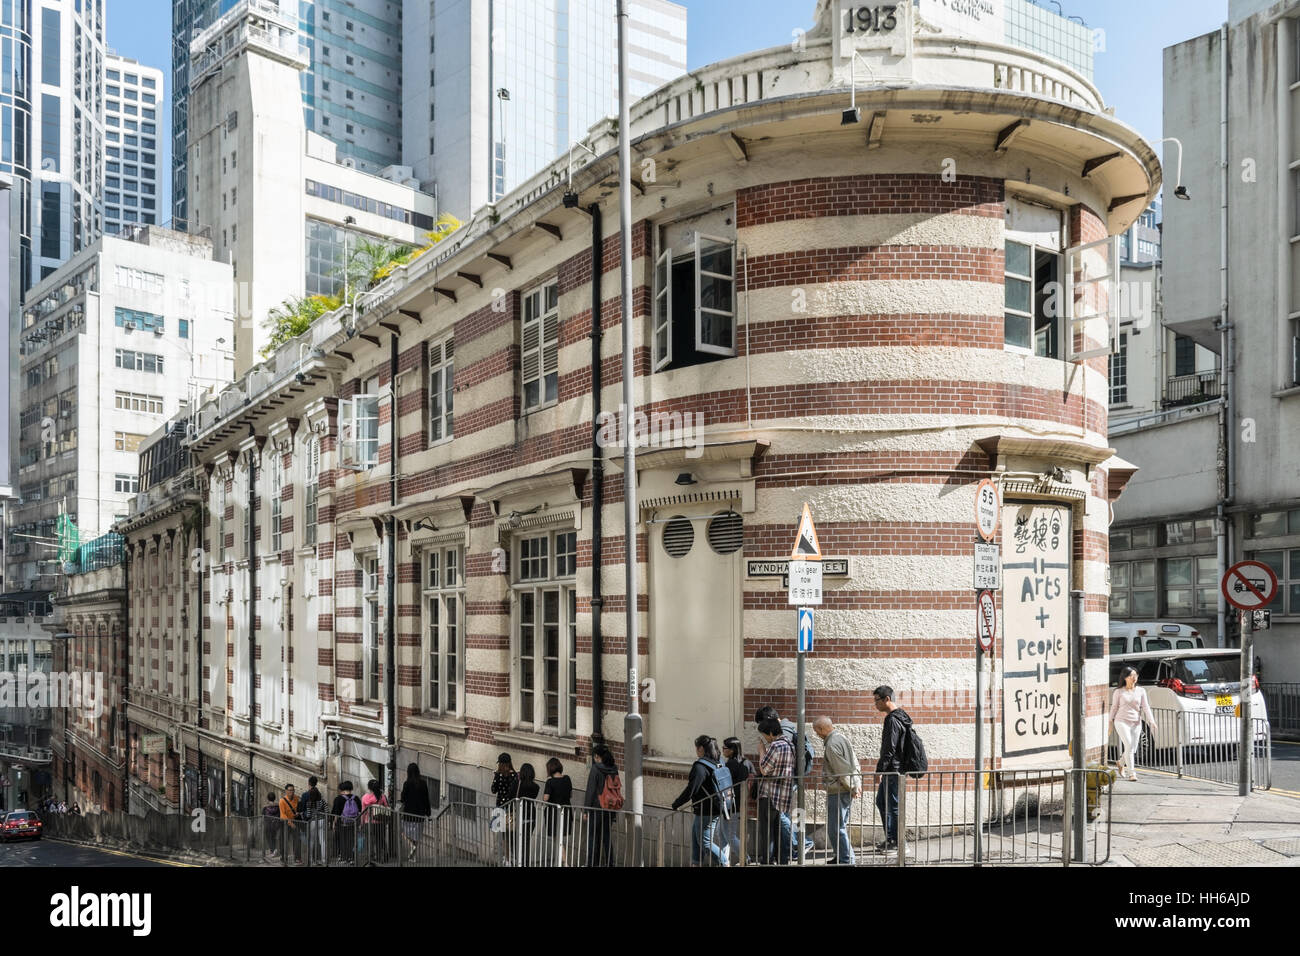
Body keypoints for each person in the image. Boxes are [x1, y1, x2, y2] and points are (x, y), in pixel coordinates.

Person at [754, 705, 815, 855]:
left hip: (783, 784)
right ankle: (789, 850)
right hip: (787, 781)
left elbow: (769, 766)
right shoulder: (788, 727)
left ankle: (801, 843)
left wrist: (763, 752)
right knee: (783, 817)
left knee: (782, 818)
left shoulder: (784, 733)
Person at [671, 735, 728, 866]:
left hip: (707, 810)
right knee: (696, 838)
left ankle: (724, 862)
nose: (696, 751)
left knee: (704, 841)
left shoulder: (700, 767)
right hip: (716, 806)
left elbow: (691, 789)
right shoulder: (719, 761)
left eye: (696, 748)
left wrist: (676, 803)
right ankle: (696, 863)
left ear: (701, 748)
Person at [814, 716, 862, 865]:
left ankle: (847, 859)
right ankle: (841, 857)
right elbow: (853, 763)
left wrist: (853, 787)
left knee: (836, 827)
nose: (817, 735)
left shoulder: (831, 744)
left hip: (838, 790)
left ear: (822, 729)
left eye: (817, 731)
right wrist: (856, 783)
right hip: (844, 788)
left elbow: (841, 769)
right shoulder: (841, 738)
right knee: (839, 826)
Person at [873, 686, 910, 851]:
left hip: (893, 770)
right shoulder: (899, 717)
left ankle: (899, 842)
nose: (875, 704)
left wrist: (879, 770)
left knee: (893, 805)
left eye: (877, 700)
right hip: (894, 769)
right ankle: (891, 839)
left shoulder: (893, 720)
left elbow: (889, 748)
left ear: (887, 699)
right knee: (881, 802)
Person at [756, 717, 795, 864]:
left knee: (767, 832)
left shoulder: (775, 746)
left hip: (770, 794)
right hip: (783, 794)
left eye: (765, 735)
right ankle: (782, 860)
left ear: (772, 733)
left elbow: (764, 769)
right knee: (778, 830)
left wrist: (761, 751)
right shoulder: (789, 744)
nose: (765, 739)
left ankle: (767, 861)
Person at [1109, 666, 1157, 782]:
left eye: (1135, 675)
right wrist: (1110, 722)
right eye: (1131, 676)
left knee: (1133, 748)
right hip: (1121, 721)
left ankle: (1120, 763)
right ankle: (1132, 773)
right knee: (1129, 745)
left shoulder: (1141, 691)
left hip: (1136, 722)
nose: (1134, 678)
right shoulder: (1118, 691)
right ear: (1125, 678)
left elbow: (1145, 707)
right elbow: (1114, 708)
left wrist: (1151, 721)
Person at [583, 744, 620, 867]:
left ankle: (592, 863)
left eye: (594, 756)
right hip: (610, 807)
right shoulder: (614, 768)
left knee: (593, 836)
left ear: (597, 756)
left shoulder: (595, 769)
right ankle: (610, 863)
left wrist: (585, 810)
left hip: (596, 807)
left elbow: (591, 790)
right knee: (607, 836)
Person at [718, 737, 753, 865]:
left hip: (730, 804)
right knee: (722, 834)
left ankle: (746, 858)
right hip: (738, 803)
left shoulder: (731, 764)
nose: (723, 750)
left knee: (729, 836)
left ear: (732, 750)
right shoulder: (746, 762)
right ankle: (723, 861)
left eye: (725, 748)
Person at [542, 757, 573, 866]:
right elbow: (570, 795)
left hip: (554, 814)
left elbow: (546, 798)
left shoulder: (550, 782)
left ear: (549, 769)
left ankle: (565, 862)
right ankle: (562, 861)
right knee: (560, 838)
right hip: (566, 812)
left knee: (558, 839)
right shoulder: (567, 779)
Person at [399, 762, 432, 862]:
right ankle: (413, 857)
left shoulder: (407, 783)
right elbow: (427, 799)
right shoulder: (423, 783)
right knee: (416, 835)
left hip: (408, 813)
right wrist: (428, 812)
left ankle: (412, 846)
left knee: (403, 832)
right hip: (420, 814)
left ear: (408, 772)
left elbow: (403, 798)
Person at [331, 781, 362, 864]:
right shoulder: (356, 798)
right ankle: (352, 858)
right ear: (351, 788)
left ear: (342, 789)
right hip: (353, 823)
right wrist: (359, 824)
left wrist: (333, 823)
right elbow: (359, 811)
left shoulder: (338, 799)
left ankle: (344, 858)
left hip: (342, 823)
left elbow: (336, 813)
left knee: (343, 840)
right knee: (351, 840)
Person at [360, 779, 389, 864]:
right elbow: (387, 807)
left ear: (369, 787)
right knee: (380, 840)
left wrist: (361, 823)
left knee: (369, 841)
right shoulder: (382, 796)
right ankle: (381, 858)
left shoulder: (365, 797)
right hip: (380, 822)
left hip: (368, 822)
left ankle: (370, 859)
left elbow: (363, 811)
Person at [299, 775, 327, 865]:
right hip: (322, 820)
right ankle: (324, 860)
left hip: (312, 821)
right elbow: (326, 809)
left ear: (309, 783)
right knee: (322, 841)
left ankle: (311, 860)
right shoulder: (320, 795)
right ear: (316, 783)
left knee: (311, 841)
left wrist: (303, 817)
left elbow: (305, 812)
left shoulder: (306, 797)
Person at [516, 763, 540, 865]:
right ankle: (525, 862)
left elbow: (512, 796)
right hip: (531, 816)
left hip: (521, 815)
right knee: (526, 841)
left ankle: (520, 862)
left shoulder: (518, 784)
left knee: (519, 841)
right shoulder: (536, 787)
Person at [278, 783, 302, 863]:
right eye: (290, 790)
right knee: (284, 840)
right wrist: (290, 823)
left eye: (293, 790)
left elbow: (298, 809)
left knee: (297, 840)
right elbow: (283, 814)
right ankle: (283, 857)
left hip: (295, 822)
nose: (292, 792)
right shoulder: (282, 801)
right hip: (285, 823)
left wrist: (297, 813)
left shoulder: (296, 798)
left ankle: (297, 858)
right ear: (286, 791)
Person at [262, 792, 281, 858]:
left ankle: (272, 850)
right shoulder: (278, 806)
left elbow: (263, 816)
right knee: (274, 837)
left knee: (269, 838)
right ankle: (273, 850)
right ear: (274, 798)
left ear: (268, 798)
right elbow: (279, 815)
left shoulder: (265, 807)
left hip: (268, 824)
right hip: (276, 824)